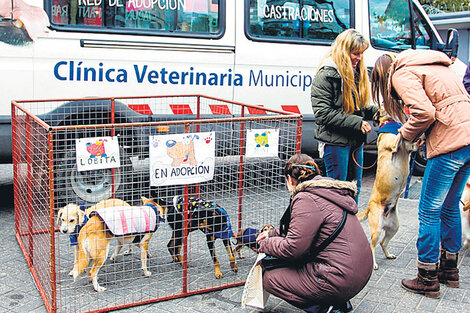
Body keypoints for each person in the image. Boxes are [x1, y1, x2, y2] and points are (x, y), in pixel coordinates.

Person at [370, 50, 470, 298]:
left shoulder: (402, 74)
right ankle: (450, 271)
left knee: (428, 210)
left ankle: (427, 278)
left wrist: (405, 135)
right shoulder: (436, 65)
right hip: (468, 138)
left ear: (384, 77)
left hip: (450, 144)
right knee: (449, 207)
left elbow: (424, 112)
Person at [256, 153, 373, 312]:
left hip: (340, 278)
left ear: (290, 179)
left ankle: (325, 308)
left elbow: (293, 248)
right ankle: (338, 301)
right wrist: (272, 234)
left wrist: (266, 244)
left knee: (269, 279)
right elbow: (302, 230)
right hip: (360, 273)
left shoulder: (305, 198)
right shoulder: (328, 190)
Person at [311, 29, 378, 202]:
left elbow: (358, 108)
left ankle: (350, 227)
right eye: (356, 53)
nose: (360, 58)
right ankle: (336, 228)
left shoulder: (355, 72)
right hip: (335, 143)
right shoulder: (326, 74)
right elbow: (323, 114)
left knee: (354, 189)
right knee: (337, 191)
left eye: (362, 53)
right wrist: (357, 123)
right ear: (344, 51)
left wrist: (379, 113)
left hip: (354, 141)